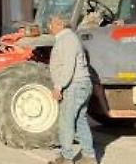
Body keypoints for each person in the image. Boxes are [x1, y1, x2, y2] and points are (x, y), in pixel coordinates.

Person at [48, 14, 97, 164]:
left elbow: (68, 66)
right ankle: (89, 157)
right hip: (80, 85)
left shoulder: (67, 40)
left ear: (59, 24)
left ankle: (66, 157)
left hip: (73, 86)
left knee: (66, 121)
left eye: (51, 24)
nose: (49, 27)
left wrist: (58, 87)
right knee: (80, 120)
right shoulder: (69, 39)